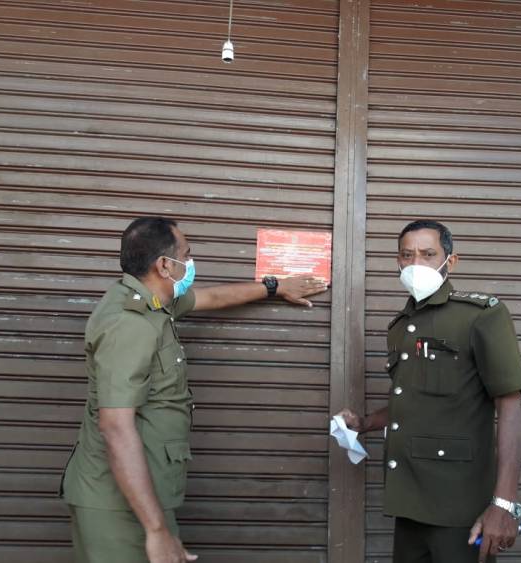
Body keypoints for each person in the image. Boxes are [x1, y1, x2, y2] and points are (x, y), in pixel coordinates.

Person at [60, 216, 327, 563]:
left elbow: (211, 297)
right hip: (116, 506)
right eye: (186, 255)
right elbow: (115, 427)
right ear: (164, 266)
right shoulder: (129, 324)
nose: (190, 263)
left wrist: (274, 286)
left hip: (138, 497)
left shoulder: (153, 300)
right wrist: (156, 531)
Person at [338, 219, 521, 563]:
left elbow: (510, 407)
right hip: (409, 499)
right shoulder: (398, 328)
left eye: (428, 254)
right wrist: (364, 423)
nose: (416, 264)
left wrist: (503, 504)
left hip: (460, 505)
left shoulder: (480, 315)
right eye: (406, 255)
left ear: (450, 261)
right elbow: (413, 401)